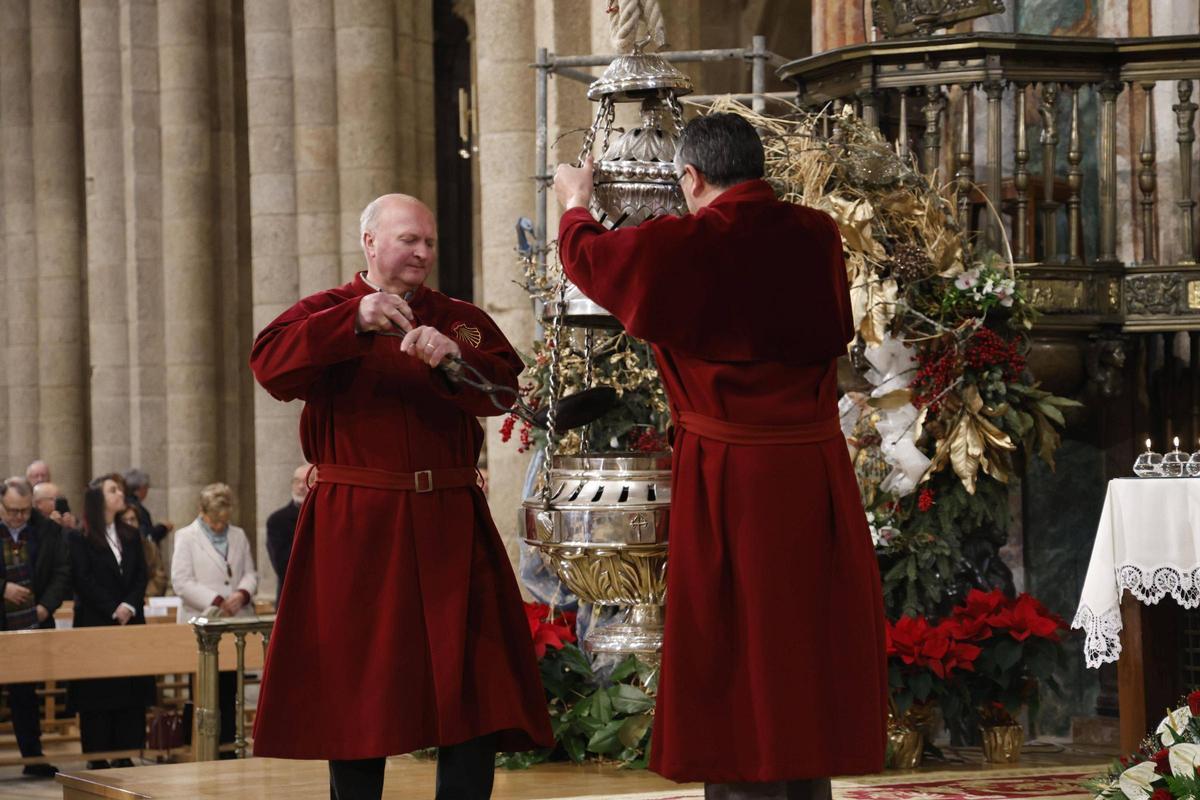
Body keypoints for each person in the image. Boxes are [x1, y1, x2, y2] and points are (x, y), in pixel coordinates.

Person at [553, 113, 888, 800]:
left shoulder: (685, 243)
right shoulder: (817, 235)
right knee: (802, 642)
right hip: (813, 470)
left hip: (730, 476)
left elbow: (589, 261)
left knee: (732, 649)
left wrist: (574, 205)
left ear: (691, 177)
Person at [250, 193, 552, 800]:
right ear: (369, 243)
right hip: (357, 527)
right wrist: (354, 323)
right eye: (408, 240)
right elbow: (269, 367)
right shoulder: (326, 310)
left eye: (430, 243)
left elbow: (504, 396)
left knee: (472, 686)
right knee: (360, 692)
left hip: (448, 521)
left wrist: (452, 358)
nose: (422, 253)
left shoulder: (457, 318)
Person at [67, 474, 155, 770]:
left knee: (130, 688)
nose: (121, 494)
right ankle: (98, 754)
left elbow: (142, 574)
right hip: (96, 621)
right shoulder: (79, 537)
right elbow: (83, 579)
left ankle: (126, 750)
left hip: (130, 621)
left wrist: (129, 605)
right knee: (99, 691)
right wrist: (111, 608)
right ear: (97, 498)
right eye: (113, 490)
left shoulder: (130, 534)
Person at [171, 482, 258, 752]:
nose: (219, 526)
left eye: (224, 520)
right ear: (201, 511)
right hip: (203, 621)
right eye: (214, 520)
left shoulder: (239, 535)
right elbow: (181, 581)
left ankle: (229, 742)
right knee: (204, 688)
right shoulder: (187, 537)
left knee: (231, 685)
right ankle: (203, 744)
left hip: (234, 621)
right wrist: (217, 600)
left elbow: (250, 573)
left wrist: (242, 593)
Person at [1, 477, 70, 777]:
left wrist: (46, 606)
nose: (18, 517)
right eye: (12, 511)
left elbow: (62, 572)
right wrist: (3, 588)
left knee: (25, 694)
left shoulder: (48, 530)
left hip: (32, 621)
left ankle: (33, 757)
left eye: (24, 511)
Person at [265, 464, 309, 607]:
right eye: (297, 481)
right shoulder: (278, 520)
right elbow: (283, 566)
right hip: (293, 600)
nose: (301, 486)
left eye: (308, 480)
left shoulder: (330, 517)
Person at [120, 506, 167, 598]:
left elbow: (159, 577)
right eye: (125, 520)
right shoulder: (112, 548)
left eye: (132, 519)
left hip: (146, 598)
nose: (129, 524)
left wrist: (142, 594)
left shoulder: (149, 546)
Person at [123, 468, 173, 545]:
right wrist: (163, 528)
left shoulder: (126, 504)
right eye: (147, 487)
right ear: (141, 487)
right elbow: (145, 536)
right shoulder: (134, 508)